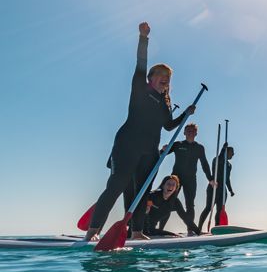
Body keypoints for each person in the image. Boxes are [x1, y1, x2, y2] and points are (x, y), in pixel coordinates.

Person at [84, 22, 196, 241]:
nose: (166, 79)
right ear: (151, 77)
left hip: (149, 151)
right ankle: (92, 232)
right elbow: (141, 63)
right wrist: (143, 38)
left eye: (169, 77)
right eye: (162, 74)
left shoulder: (164, 103)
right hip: (127, 145)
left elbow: (168, 126)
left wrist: (186, 115)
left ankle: (136, 232)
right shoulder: (140, 87)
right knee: (117, 185)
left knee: (142, 193)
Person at [163, 123, 214, 228]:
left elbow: (204, 164)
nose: (190, 132)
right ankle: (160, 230)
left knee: (190, 204)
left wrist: (210, 179)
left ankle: (190, 230)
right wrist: (164, 149)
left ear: (196, 133)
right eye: (188, 131)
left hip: (191, 179)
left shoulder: (199, 148)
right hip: (176, 179)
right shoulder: (177, 144)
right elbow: (161, 154)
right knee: (169, 202)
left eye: (193, 131)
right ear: (184, 132)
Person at [198, 144, 235, 229]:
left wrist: (230, 190)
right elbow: (220, 157)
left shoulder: (229, 165)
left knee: (219, 211)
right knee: (208, 208)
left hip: (222, 190)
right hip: (213, 187)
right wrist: (223, 149)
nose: (233, 155)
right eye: (231, 153)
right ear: (226, 152)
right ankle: (198, 229)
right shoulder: (217, 160)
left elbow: (227, 179)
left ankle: (217, 228)